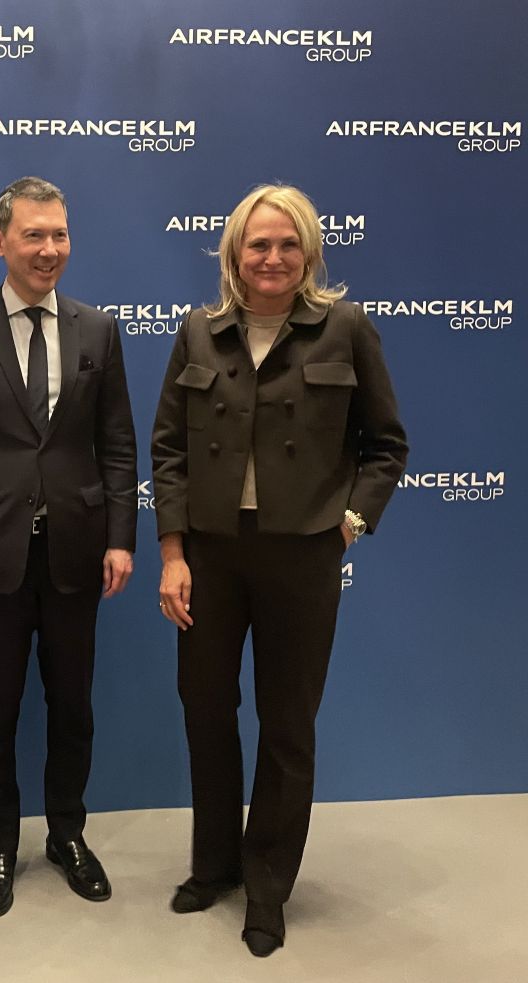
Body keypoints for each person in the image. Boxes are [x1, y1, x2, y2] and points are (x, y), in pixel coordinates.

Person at [151, 184, 409, 957]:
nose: (273, 257)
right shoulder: (198, 331)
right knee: (206, 709)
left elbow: (386, 444)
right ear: (234, 254)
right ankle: (214, 864)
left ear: (310, 253)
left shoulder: (346, 328)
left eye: (288, 244)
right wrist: (172, 553)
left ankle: (267, 885)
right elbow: (169, 448)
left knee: (288, 721)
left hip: (303, 553)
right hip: (211, 553)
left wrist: (352, 520)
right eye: (258, 244)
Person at [0, 177, 137, 917]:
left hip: (77, 548)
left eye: (60, 234)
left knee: (73, 705)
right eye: (34, 235)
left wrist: (121, 537)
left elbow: (117, 444)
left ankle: (67, 834)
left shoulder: (98, 329)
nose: (50, 249)